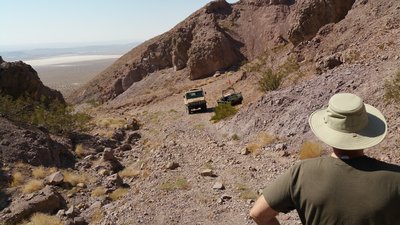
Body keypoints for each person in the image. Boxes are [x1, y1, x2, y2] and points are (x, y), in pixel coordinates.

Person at [249, 93, 400, 225]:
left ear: (329, 130)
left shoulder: (301, 173)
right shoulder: (395, 178)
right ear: (366, 130)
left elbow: (258, 214)